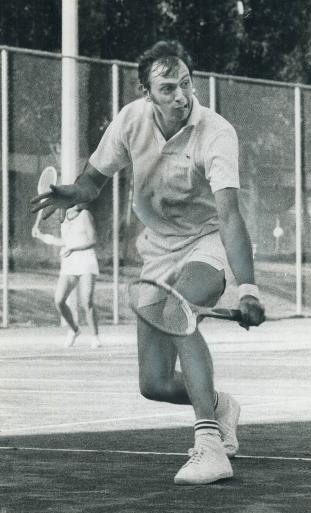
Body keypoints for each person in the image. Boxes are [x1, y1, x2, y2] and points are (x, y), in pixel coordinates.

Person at [31, 40, 265, 485]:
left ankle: (210, 445)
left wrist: (248, 289)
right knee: (153, 384)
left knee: (182, 310)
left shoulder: (216, 132)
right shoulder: (131, 120)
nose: (181, 95)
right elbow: (92, 182)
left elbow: (231, 216)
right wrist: (71, 193)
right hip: (158, 247)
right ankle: (219, 406)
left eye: (185, 84)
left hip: (207, 240)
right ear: (146, 93)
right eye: (167, 88)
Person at [32, 204, 102, 349]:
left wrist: (73, 248)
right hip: (70, 263)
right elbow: (65, 242)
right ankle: (75, 330)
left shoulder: (85, 215)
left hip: (86, 261)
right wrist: (42, 236)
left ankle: (95, 336)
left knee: (87, 300)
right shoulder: (63, 218)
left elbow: (92, 240)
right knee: (59, 301)